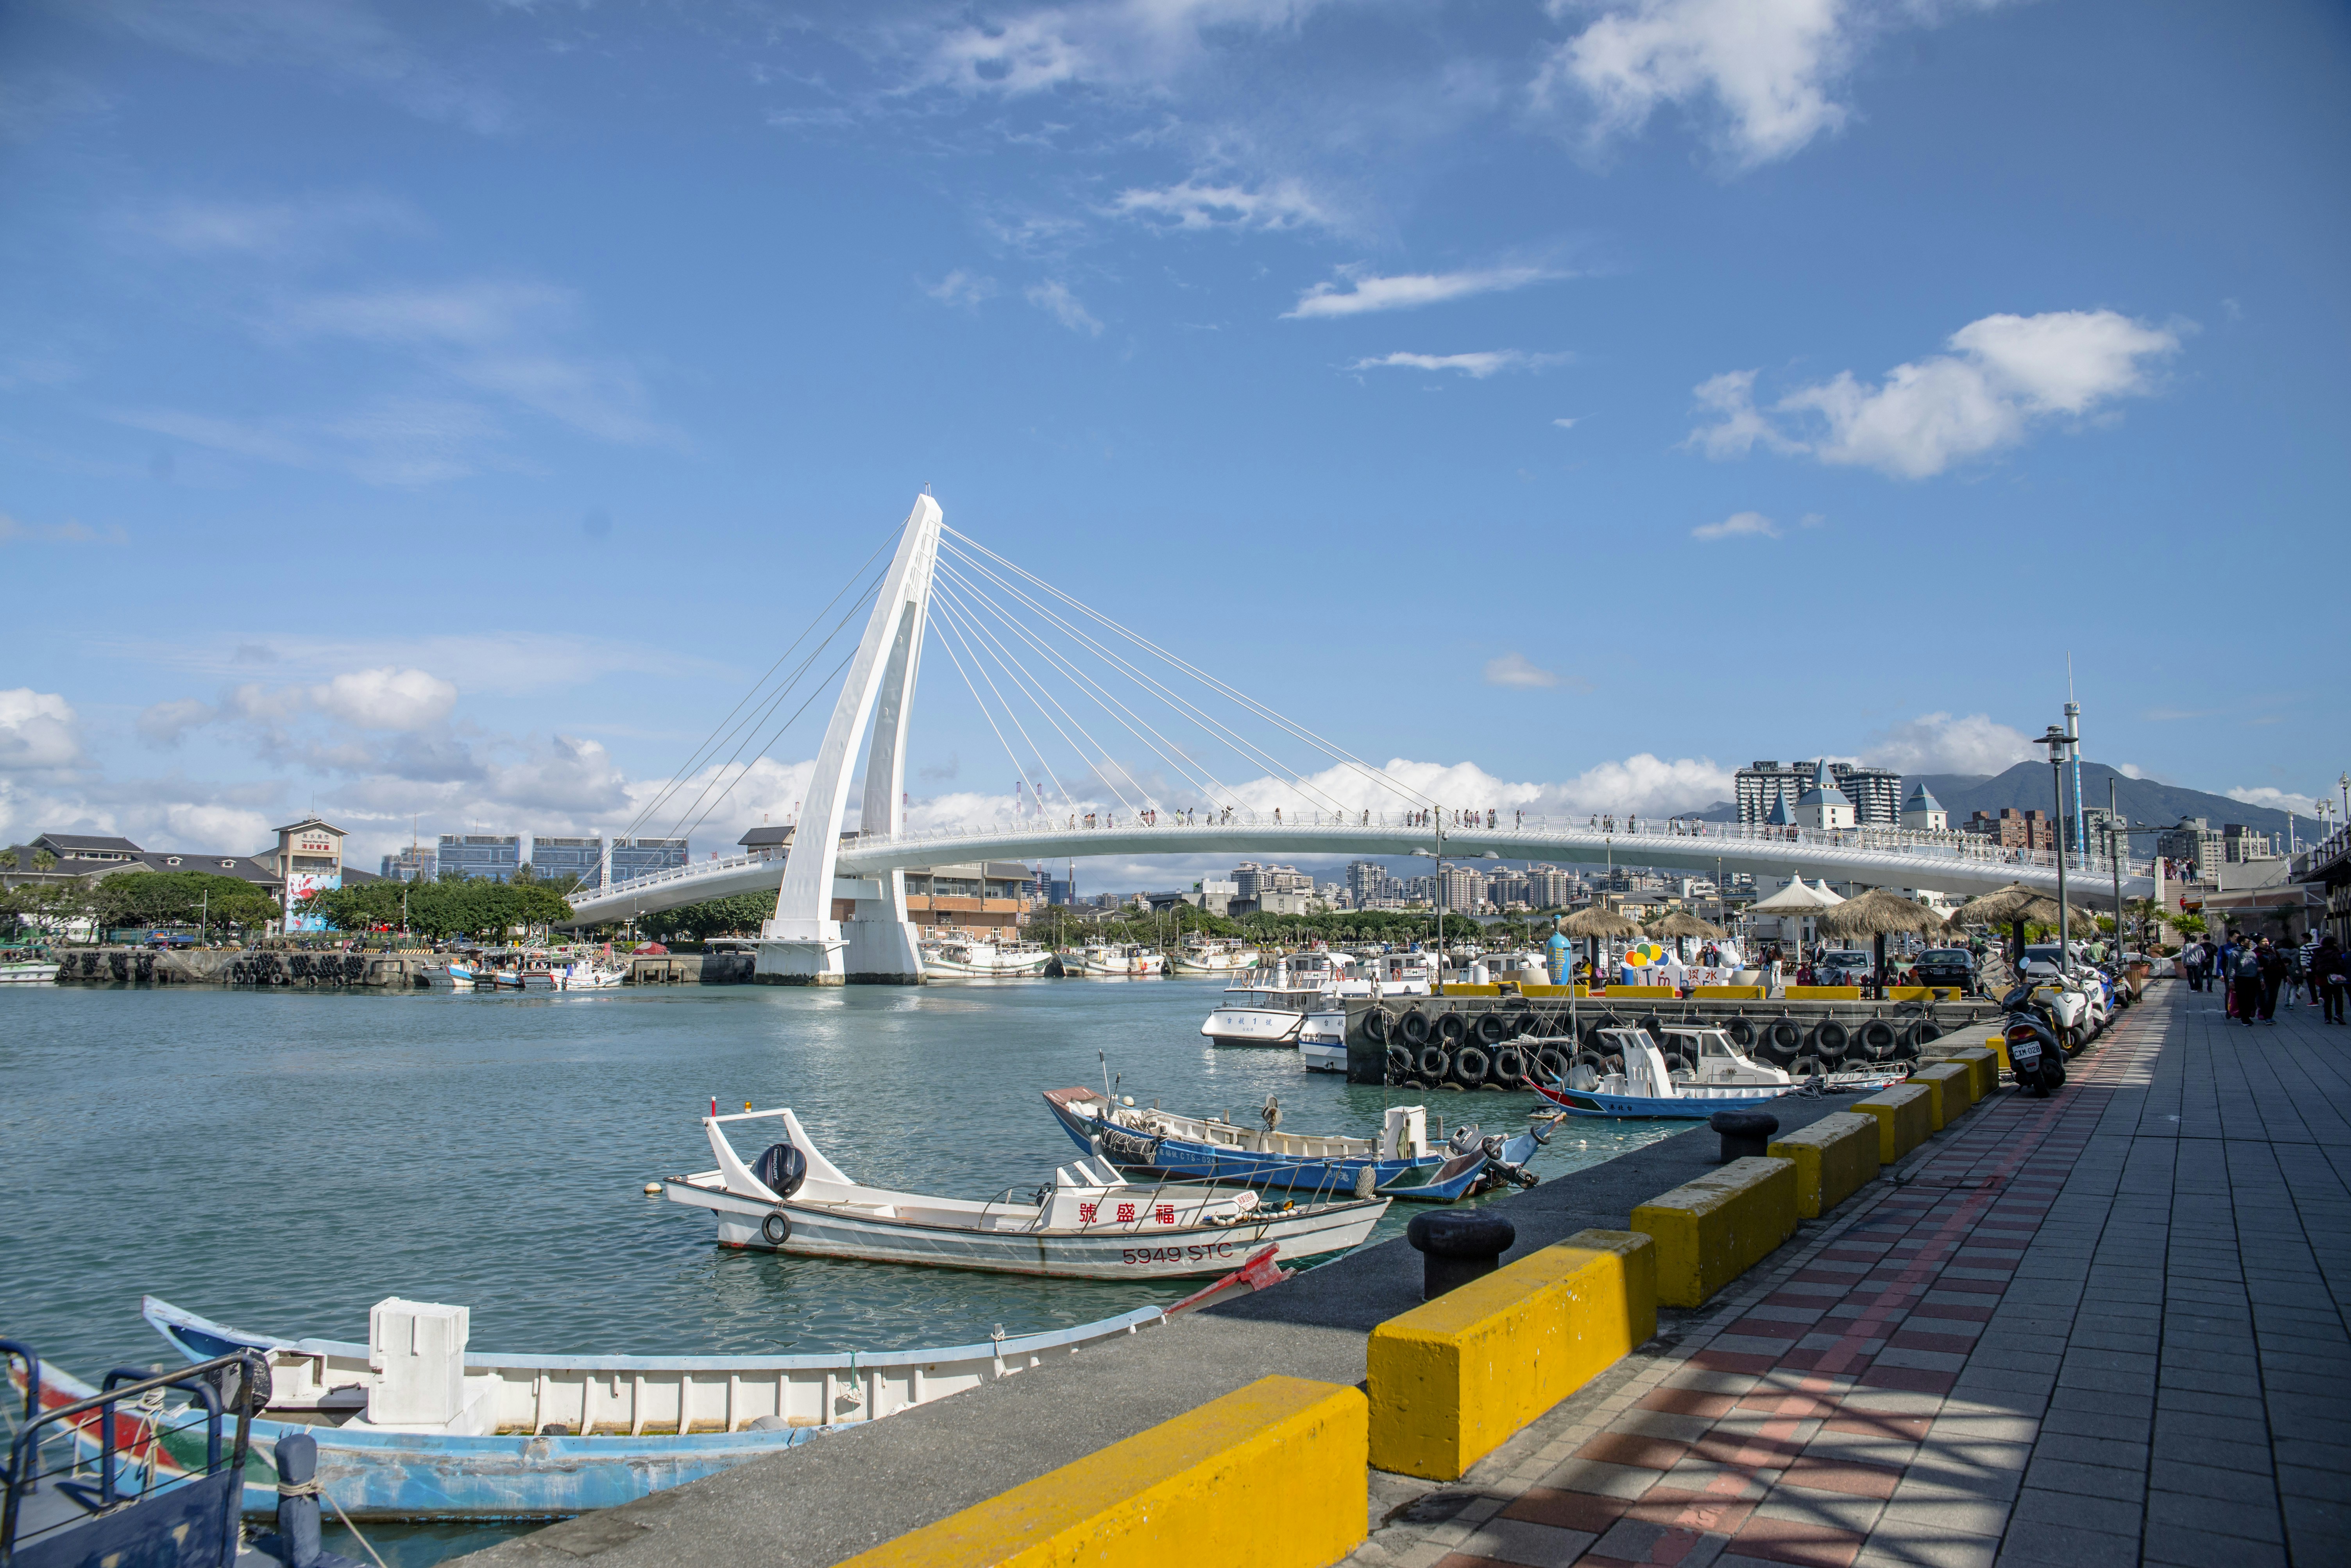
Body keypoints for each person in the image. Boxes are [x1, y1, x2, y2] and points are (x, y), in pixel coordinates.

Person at [2230, 939, 2263, 1028]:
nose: (2251, 944)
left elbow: (2258, 967)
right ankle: (2244, 1019)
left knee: (2251, 1000)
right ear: (2242, 943)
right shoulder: (2235, 953)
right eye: (2248, 942)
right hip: (2241, 979)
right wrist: (2231, 980)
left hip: (2253, 979)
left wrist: (2261, 978)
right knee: (2243, 1000)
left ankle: (2247, 1017)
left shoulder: (2253, 954)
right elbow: (2232, 967)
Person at [2319, 937, 2348, 1026]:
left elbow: (2313, 965)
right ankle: (2339, 1015)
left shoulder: (2318, 953)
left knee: (2327, 999)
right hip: (2336, 978)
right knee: (2338, 998)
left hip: (2324, 978)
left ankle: (2328, 1018)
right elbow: (2341, 965)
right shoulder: (2336, 952)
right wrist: (2341, 973)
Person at [2258, 938, 2288, 1022]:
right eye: (2263, 942)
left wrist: (2287, 975)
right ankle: (2267, 1017)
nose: (2266, 943)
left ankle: (2270, 1016)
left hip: (2276, 978)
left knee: (2273, 998)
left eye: (2267, 941)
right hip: (2264, 978)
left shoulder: (2274, 951)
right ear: (2258, 943)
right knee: (2266, 997)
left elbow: (2281, 963)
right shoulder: (2256, 953)